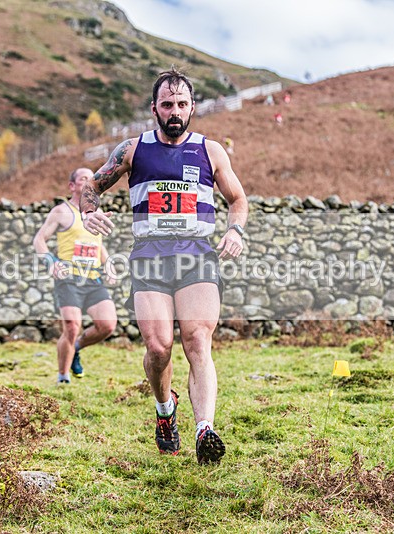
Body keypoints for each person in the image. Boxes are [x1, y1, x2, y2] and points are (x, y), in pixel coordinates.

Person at [79, 68, 248, 464]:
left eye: (182, 104)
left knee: (197, 341)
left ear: (192, 108)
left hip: (197, 257)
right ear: (154, 108)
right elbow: (91, 187)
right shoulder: (132, 150)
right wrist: (88, 212)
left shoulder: (211, 151)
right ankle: (164, 409)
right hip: (150, 258)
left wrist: (236, 232)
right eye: (168, 104)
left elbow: (237, 199)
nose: (175, 111)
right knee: (159, 348)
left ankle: (204, 428)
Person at [33, 168, 118, 384]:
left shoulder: (96, 213)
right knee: (71, 326)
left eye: (92, 178)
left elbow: (97, 244)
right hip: (68, 278)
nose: (89, 182)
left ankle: (77, 348)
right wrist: (50, 262)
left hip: (92, 278)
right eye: (83, 179)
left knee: (107, 325)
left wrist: (108, 264)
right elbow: (39, 240)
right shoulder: (62, 211)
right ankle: (63, 378)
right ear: (72, 186)